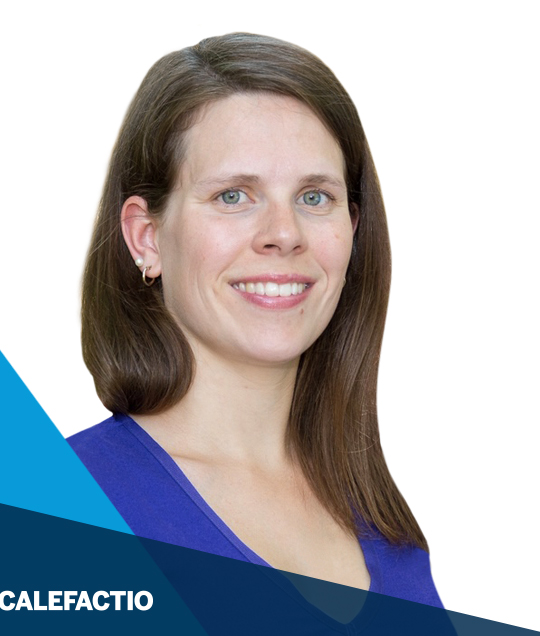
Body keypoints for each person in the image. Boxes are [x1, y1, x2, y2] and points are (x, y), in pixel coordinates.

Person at [68, 32, 445, 621]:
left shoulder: (389, 532)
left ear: (352, 230)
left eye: (314, 197)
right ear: (147, 237)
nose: (284, 233)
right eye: (233, 195)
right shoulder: (63, 506)